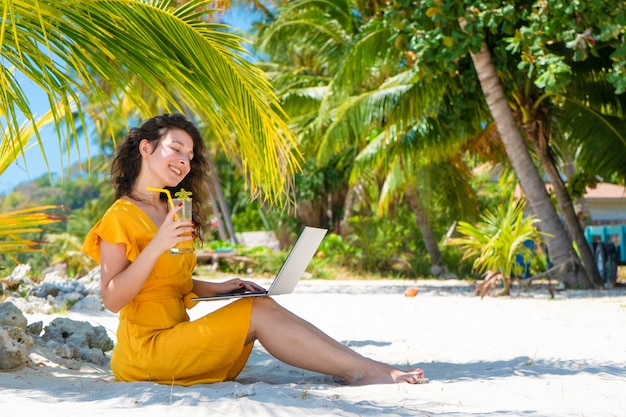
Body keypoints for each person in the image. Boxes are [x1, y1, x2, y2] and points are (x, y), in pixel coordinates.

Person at [82, 113, 426, 386]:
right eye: (176, 149)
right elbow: (113, 298)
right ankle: (362, 371)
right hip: (146, 351)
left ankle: (362, 366)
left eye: (190, 155)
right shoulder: (121, 215)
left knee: (259, 302)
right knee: (258, 313)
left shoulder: (172, 208)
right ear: (146, 148)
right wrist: (158, 245)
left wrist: (220, 288)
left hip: (176, 335)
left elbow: (168, 283)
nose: (184, 161)